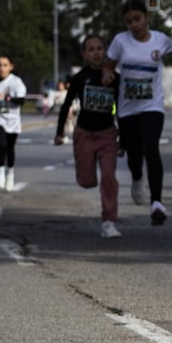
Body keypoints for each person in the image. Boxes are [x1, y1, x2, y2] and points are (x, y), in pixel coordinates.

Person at [103, 0, 172, 225]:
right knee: (134, 154)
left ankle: (157, 202)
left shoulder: (160, 40)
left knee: (151, 147)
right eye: (129, 22)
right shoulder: (120, 41)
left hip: (152, 105)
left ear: (146, 17)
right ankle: (137, 177)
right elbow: (108, 65)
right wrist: (107, 74)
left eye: (137, 19)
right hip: (127, 108)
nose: (134, 25)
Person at [55, 34, 122, 238]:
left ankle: (109, 221)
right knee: (87, 181)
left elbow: (121, 109)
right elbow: (66, 105)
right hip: (84, 133)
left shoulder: (115, 78)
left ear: (106, 51)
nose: (96, 53)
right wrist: (59, 133)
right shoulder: (80, 77)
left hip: (107, 134)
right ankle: (85, 175)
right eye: (91, 49)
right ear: (85, 54)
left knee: (109, 176)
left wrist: (123, 140)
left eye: (99, 48)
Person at [0, 55, 27, 192]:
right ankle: (0, 174)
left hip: (13, 120)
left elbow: (21, 101)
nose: (1, 68)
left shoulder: (16, 82)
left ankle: (10, 174)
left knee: (10, 148)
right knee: (2, 144)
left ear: (11, 67)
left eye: (5, 65)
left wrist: (8, 97)